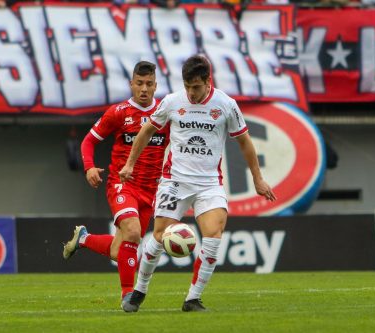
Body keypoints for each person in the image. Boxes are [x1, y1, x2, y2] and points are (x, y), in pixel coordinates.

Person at [118, 55, 276, 312]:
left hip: (209, 184)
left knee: (213, 236)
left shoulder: (226, 105)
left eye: (196, 87)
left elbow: (245, 142)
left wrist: (257, 178)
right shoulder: (172, 101)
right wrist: (130, 164)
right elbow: (146, 131)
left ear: (208, 81)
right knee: (159, 236)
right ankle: (139, 290)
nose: (191, 92)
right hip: (174, 182)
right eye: (187, 86)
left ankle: (192, 298)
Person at [62, 61, 169, 311]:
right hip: (123, 185)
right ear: (131, 84)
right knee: (132, 232)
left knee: (118, 250)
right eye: (139, 83)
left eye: (149, 84)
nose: (144, 89)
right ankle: (128, 296)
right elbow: (89, 141)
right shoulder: (119, 112)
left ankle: (84, 239)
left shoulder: (166, 112)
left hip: (151, 191)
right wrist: (89, 166)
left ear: (156, 86)